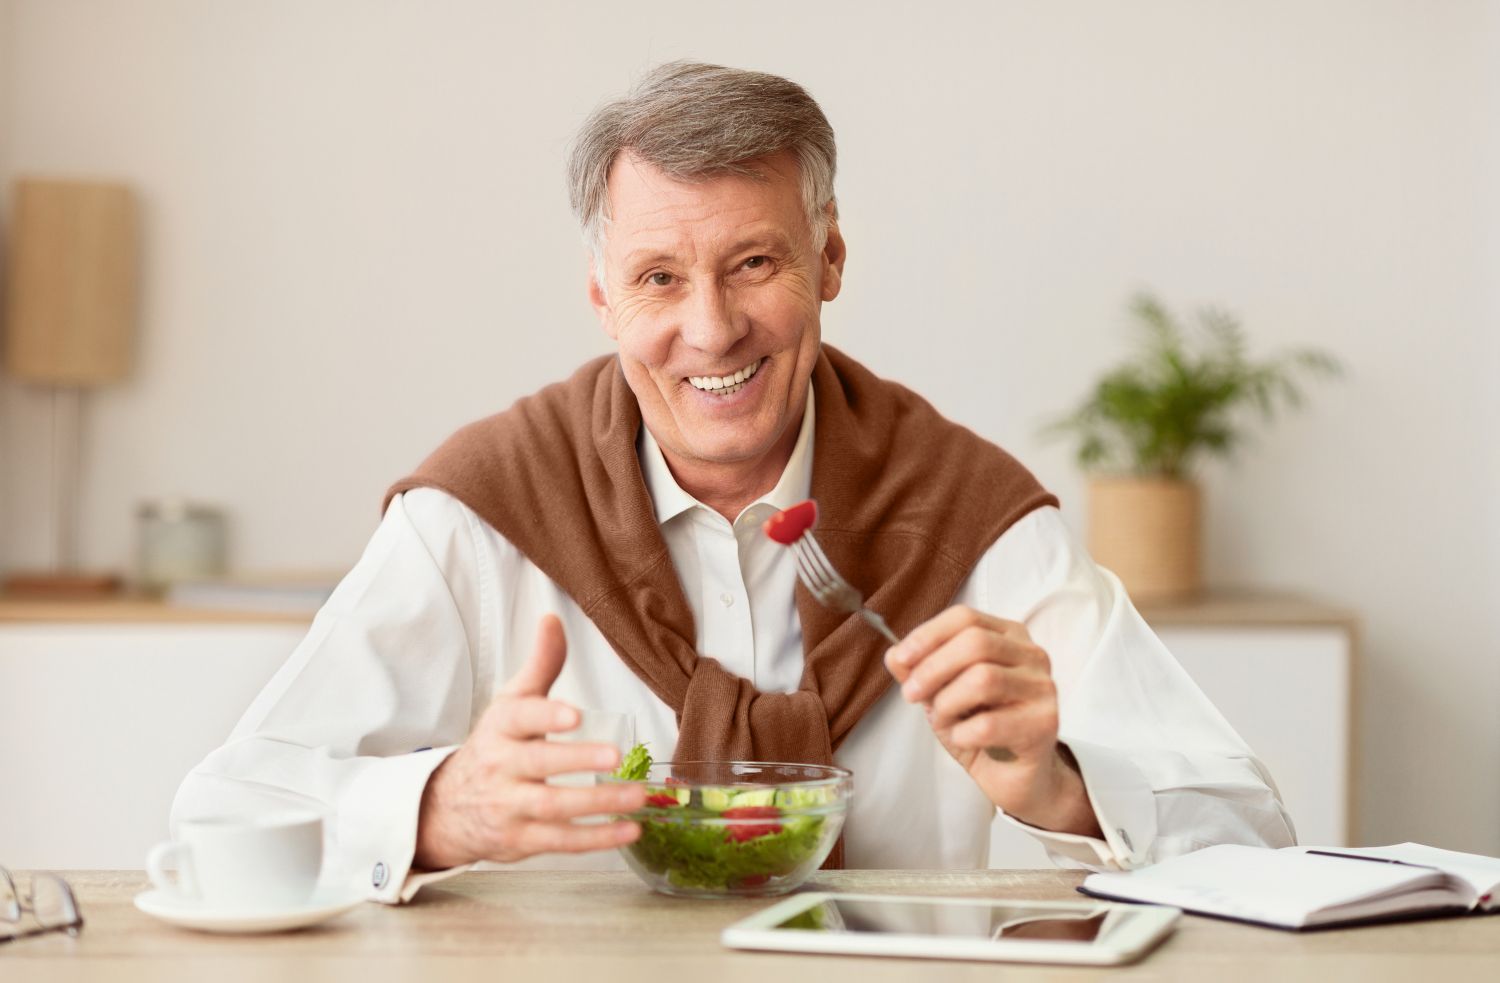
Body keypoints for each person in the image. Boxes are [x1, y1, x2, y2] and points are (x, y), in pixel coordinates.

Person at [172, 61, 1295, 904]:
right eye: (660, 277)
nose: (710, 330)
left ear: (831, 260)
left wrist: (1061, 784)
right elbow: (220, 821)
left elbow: (1254, 846)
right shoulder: (477, 512)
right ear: (604, 298)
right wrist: (438, 810)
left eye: (754, 263)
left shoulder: (972, 519)